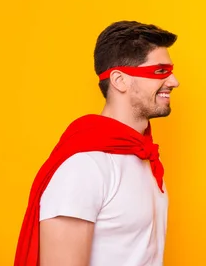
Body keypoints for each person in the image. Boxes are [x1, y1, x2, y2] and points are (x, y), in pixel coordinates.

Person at [15, 20, 180, 266]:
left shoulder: (145, 158)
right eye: (159, 72)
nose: (174, 81)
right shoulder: (84, 167)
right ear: (120, 80)